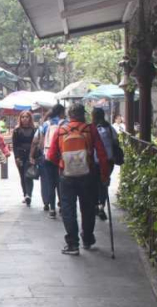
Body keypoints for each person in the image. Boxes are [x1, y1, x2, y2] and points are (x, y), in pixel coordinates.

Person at [47, 104, 110, 255]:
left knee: (68, 208)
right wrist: (104, 175)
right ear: (83, 114)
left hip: (66, 175)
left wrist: (63, 164)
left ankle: (72, 244)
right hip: (87, 174)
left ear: (69, 114)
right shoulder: (90, 129)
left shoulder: (61, 130)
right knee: (88, 208)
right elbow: (102, 154)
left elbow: (50, 156)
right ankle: (87, 239)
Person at [32, 103, 66, 218]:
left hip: (47, 157)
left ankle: (52, 209)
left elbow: (36, 141)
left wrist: (33, 155)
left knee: (50, 183)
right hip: (62, 158)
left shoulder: (45, 125)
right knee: (61, 182)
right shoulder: (65, 124)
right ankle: (62, 206)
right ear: (61, 112)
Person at [92, 107, 119, 221]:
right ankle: (101, 205)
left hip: (94, 160)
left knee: (94, 183)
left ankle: (95, 205)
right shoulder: (109, 128)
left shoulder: (91, 128)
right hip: (108, 161)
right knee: (104, 183)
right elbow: (116, 142)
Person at [12, 111, 37, 206]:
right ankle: (25, 194)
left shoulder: (34, 129)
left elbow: (36, 144)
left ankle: (28, 195)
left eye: (27, 117)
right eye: (22, 117)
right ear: (20, 118)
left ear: (30, 118)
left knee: (28, 175)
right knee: (22, 175)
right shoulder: (17, 130)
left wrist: (34, 156)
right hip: (20, 155)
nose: (25, 119)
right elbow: (15, 145)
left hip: (31, 155)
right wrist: (16, 157)